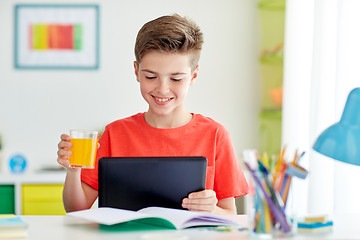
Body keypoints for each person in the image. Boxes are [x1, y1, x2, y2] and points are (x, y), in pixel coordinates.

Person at [57, 14, 248, 215]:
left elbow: (230, 215)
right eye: (151, 76)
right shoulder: (115, 133)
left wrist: (212, 209)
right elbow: (76, 209)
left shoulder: (215, 135)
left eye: (176, 79)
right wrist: (73, 170)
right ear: (136, 71)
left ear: (193, 76)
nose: (163, 89)